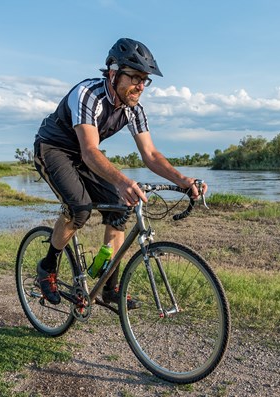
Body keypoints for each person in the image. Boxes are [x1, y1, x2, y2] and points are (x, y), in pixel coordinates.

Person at [33, 38, 207, 307]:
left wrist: (183, 181)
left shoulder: (133, 109)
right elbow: (90, 151)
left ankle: (110, 288)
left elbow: (150, 155)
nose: (140, 85)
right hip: (54, 149)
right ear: (113, 73)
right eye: (135, 77)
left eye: (144, 80)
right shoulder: (89, 94)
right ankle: (48, 266)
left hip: (83, 155)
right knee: (79, 209)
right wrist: (123, 180)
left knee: (118, 207)